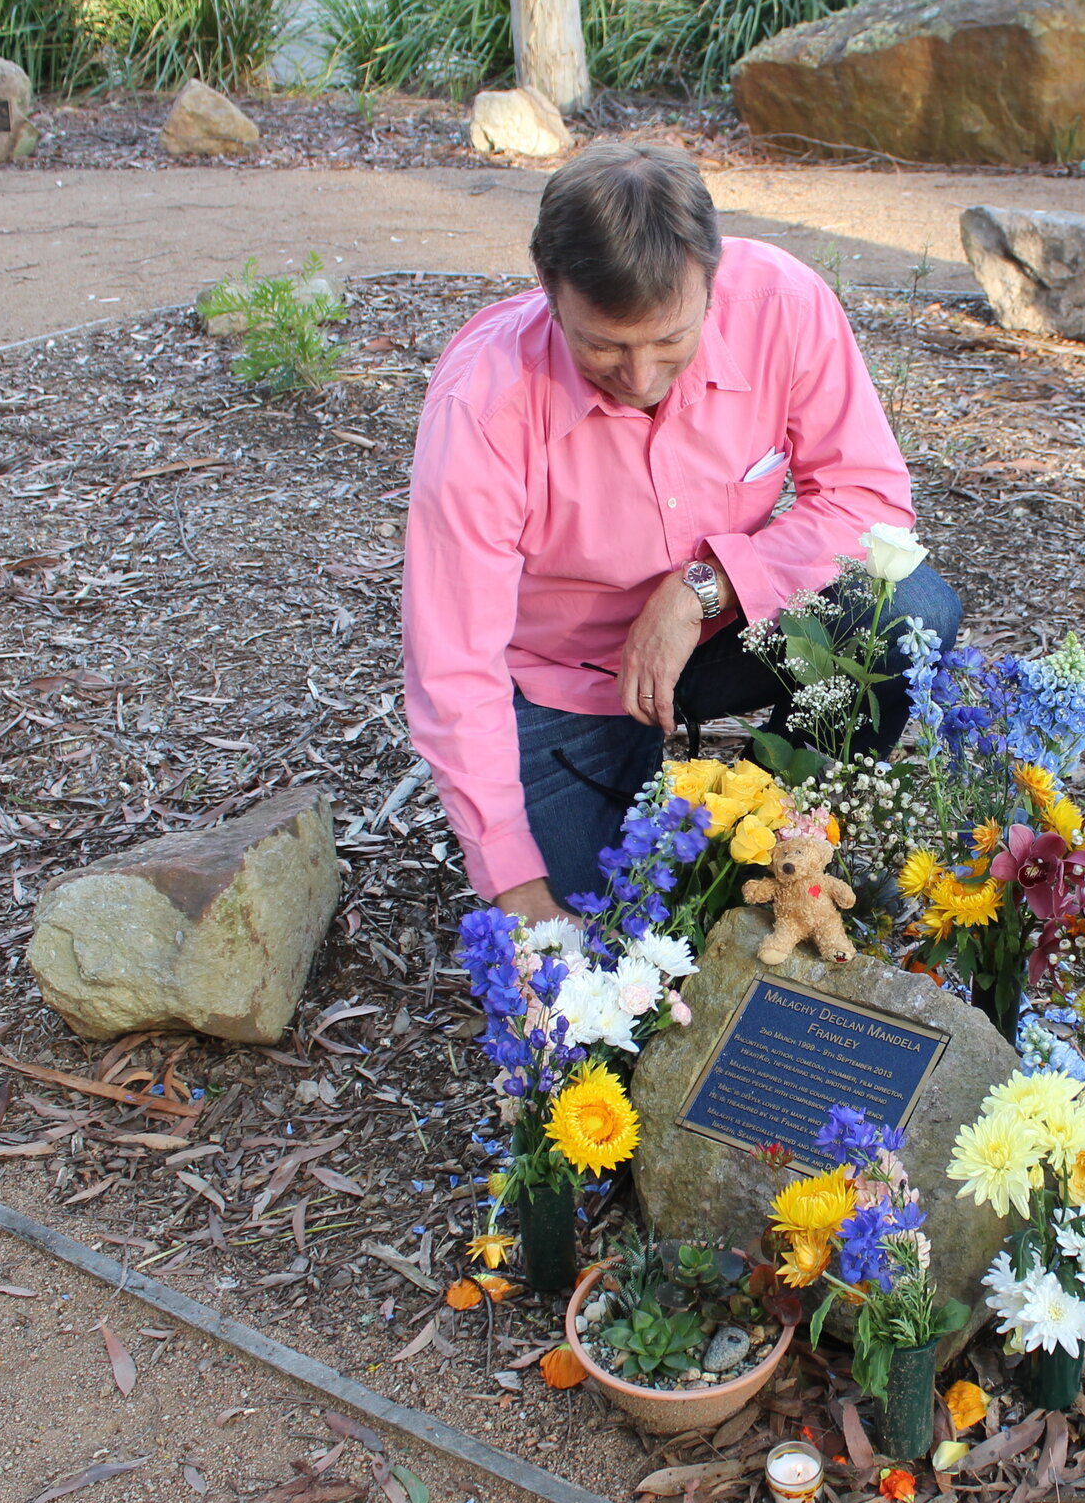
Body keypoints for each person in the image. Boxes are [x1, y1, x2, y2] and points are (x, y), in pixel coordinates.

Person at [401, 141, 962, 925]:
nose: (639, 376)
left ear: (712, 276)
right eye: (603, 345)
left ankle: (804, 835)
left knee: (907, 607)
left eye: (669, 340)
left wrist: (705, 587)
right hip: (572, 677)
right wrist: (518, 892)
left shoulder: (783, 305)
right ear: (548, 289)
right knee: (603, 927)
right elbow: (454, 666)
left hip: (737, 632)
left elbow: (870, 501)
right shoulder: (484, 407)